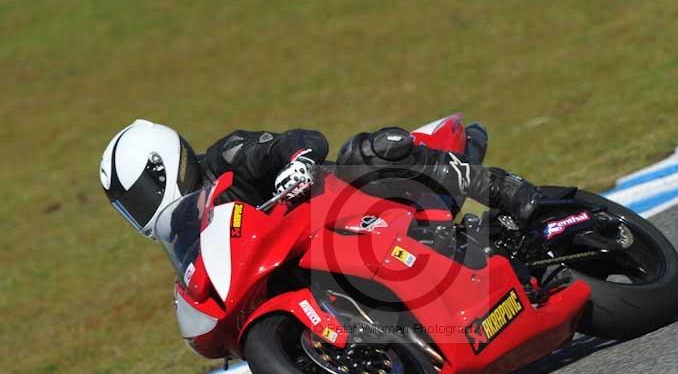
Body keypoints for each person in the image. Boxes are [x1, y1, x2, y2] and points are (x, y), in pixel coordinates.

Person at [98, 119, 541, 238]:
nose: (140, 211)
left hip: (357, 204)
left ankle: (497, 185)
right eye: (129, 208)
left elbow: (300, 139)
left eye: (139, 196)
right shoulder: (187, 233)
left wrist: (296, 163)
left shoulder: (227, 156)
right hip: (320, 257)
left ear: (164, 165)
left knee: (364, 151)